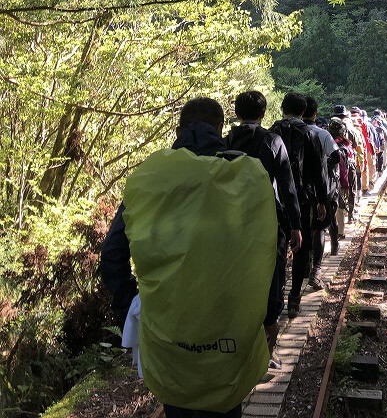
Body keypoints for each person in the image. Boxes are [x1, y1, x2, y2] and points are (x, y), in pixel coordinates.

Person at [100, 97, 278, 418]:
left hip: (169, 326)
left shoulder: (150, 177)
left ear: (178, 129)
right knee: (226, 401)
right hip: (230, 324)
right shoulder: (246, 177)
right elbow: (266, 251)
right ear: (220, 129)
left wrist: (133, 306)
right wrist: (271, 314)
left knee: (177, 403)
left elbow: (112, 255)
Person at [226, 90, 302, 342]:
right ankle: (269, 334)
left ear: (236, 114)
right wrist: (295, 225)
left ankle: (242, 334)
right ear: (263, 113)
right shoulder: (272, 141)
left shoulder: (225, 142)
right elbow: (287, 187)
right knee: (272, 274)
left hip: (230, 221)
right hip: (266, 220)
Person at [270, 92, 328, 318]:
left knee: (277, 246)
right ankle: (294, 297)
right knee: (300, 245)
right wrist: (322, 200)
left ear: (282, 108)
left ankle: (275, 298)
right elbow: (318, 171)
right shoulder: (309, 133)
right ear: (304, 112)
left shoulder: (271, 132)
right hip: (302, 198)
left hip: (273, 200)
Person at [303, 96, 341, 288]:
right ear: (315, 112)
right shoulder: (322, 134)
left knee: (302, 226)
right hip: (320, 187)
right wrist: (322, 166)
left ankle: (303, 267)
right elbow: (336, 156)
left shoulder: (288, 132)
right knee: (319, 226)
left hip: (296, 188)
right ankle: (316, 270)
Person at [328, 117, 351, 238]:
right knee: (339, 208)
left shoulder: (326, 142)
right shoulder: (342, 146)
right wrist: (346, 184)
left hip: (325, 180)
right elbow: (343, 169)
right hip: (338, 181)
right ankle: (340, 232)